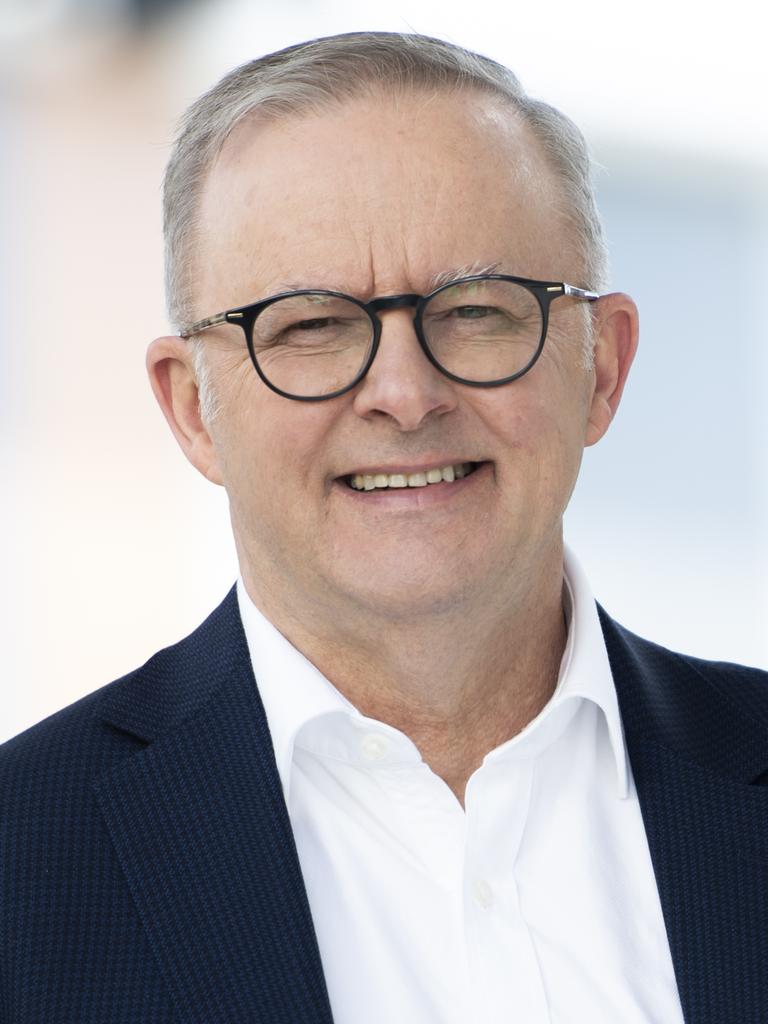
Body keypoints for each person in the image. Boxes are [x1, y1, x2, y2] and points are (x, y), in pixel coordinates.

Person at [1, 31, 766, 1024]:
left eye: (479, 311)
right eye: (310, 326)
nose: (405, 395)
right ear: (193, 409)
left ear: (603, 367)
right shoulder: (21, 865)